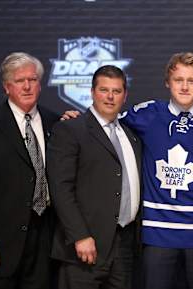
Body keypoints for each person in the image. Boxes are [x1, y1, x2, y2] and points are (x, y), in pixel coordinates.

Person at [62, 52, 193, 289]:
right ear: (167, 82)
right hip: (158, 233)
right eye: (178, 80)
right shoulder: (148, 114)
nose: (184, 86)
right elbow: (107, 121)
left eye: (191, 81)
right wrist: (78, 119)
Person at [0, 52, 59, 289]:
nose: (27, 86)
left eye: (33, 80)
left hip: (43, 241)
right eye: (19, 80)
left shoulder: (55, 122)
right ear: (7, 87)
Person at [47, 65, 142, 289]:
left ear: (125, 95)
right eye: (103, 90)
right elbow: (61, 189)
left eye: (116, 91)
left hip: (123, 245)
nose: (110, 97)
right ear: (92, 92)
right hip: (84, 247)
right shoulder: (70, 129)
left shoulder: (132, 135)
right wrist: (80, 236)